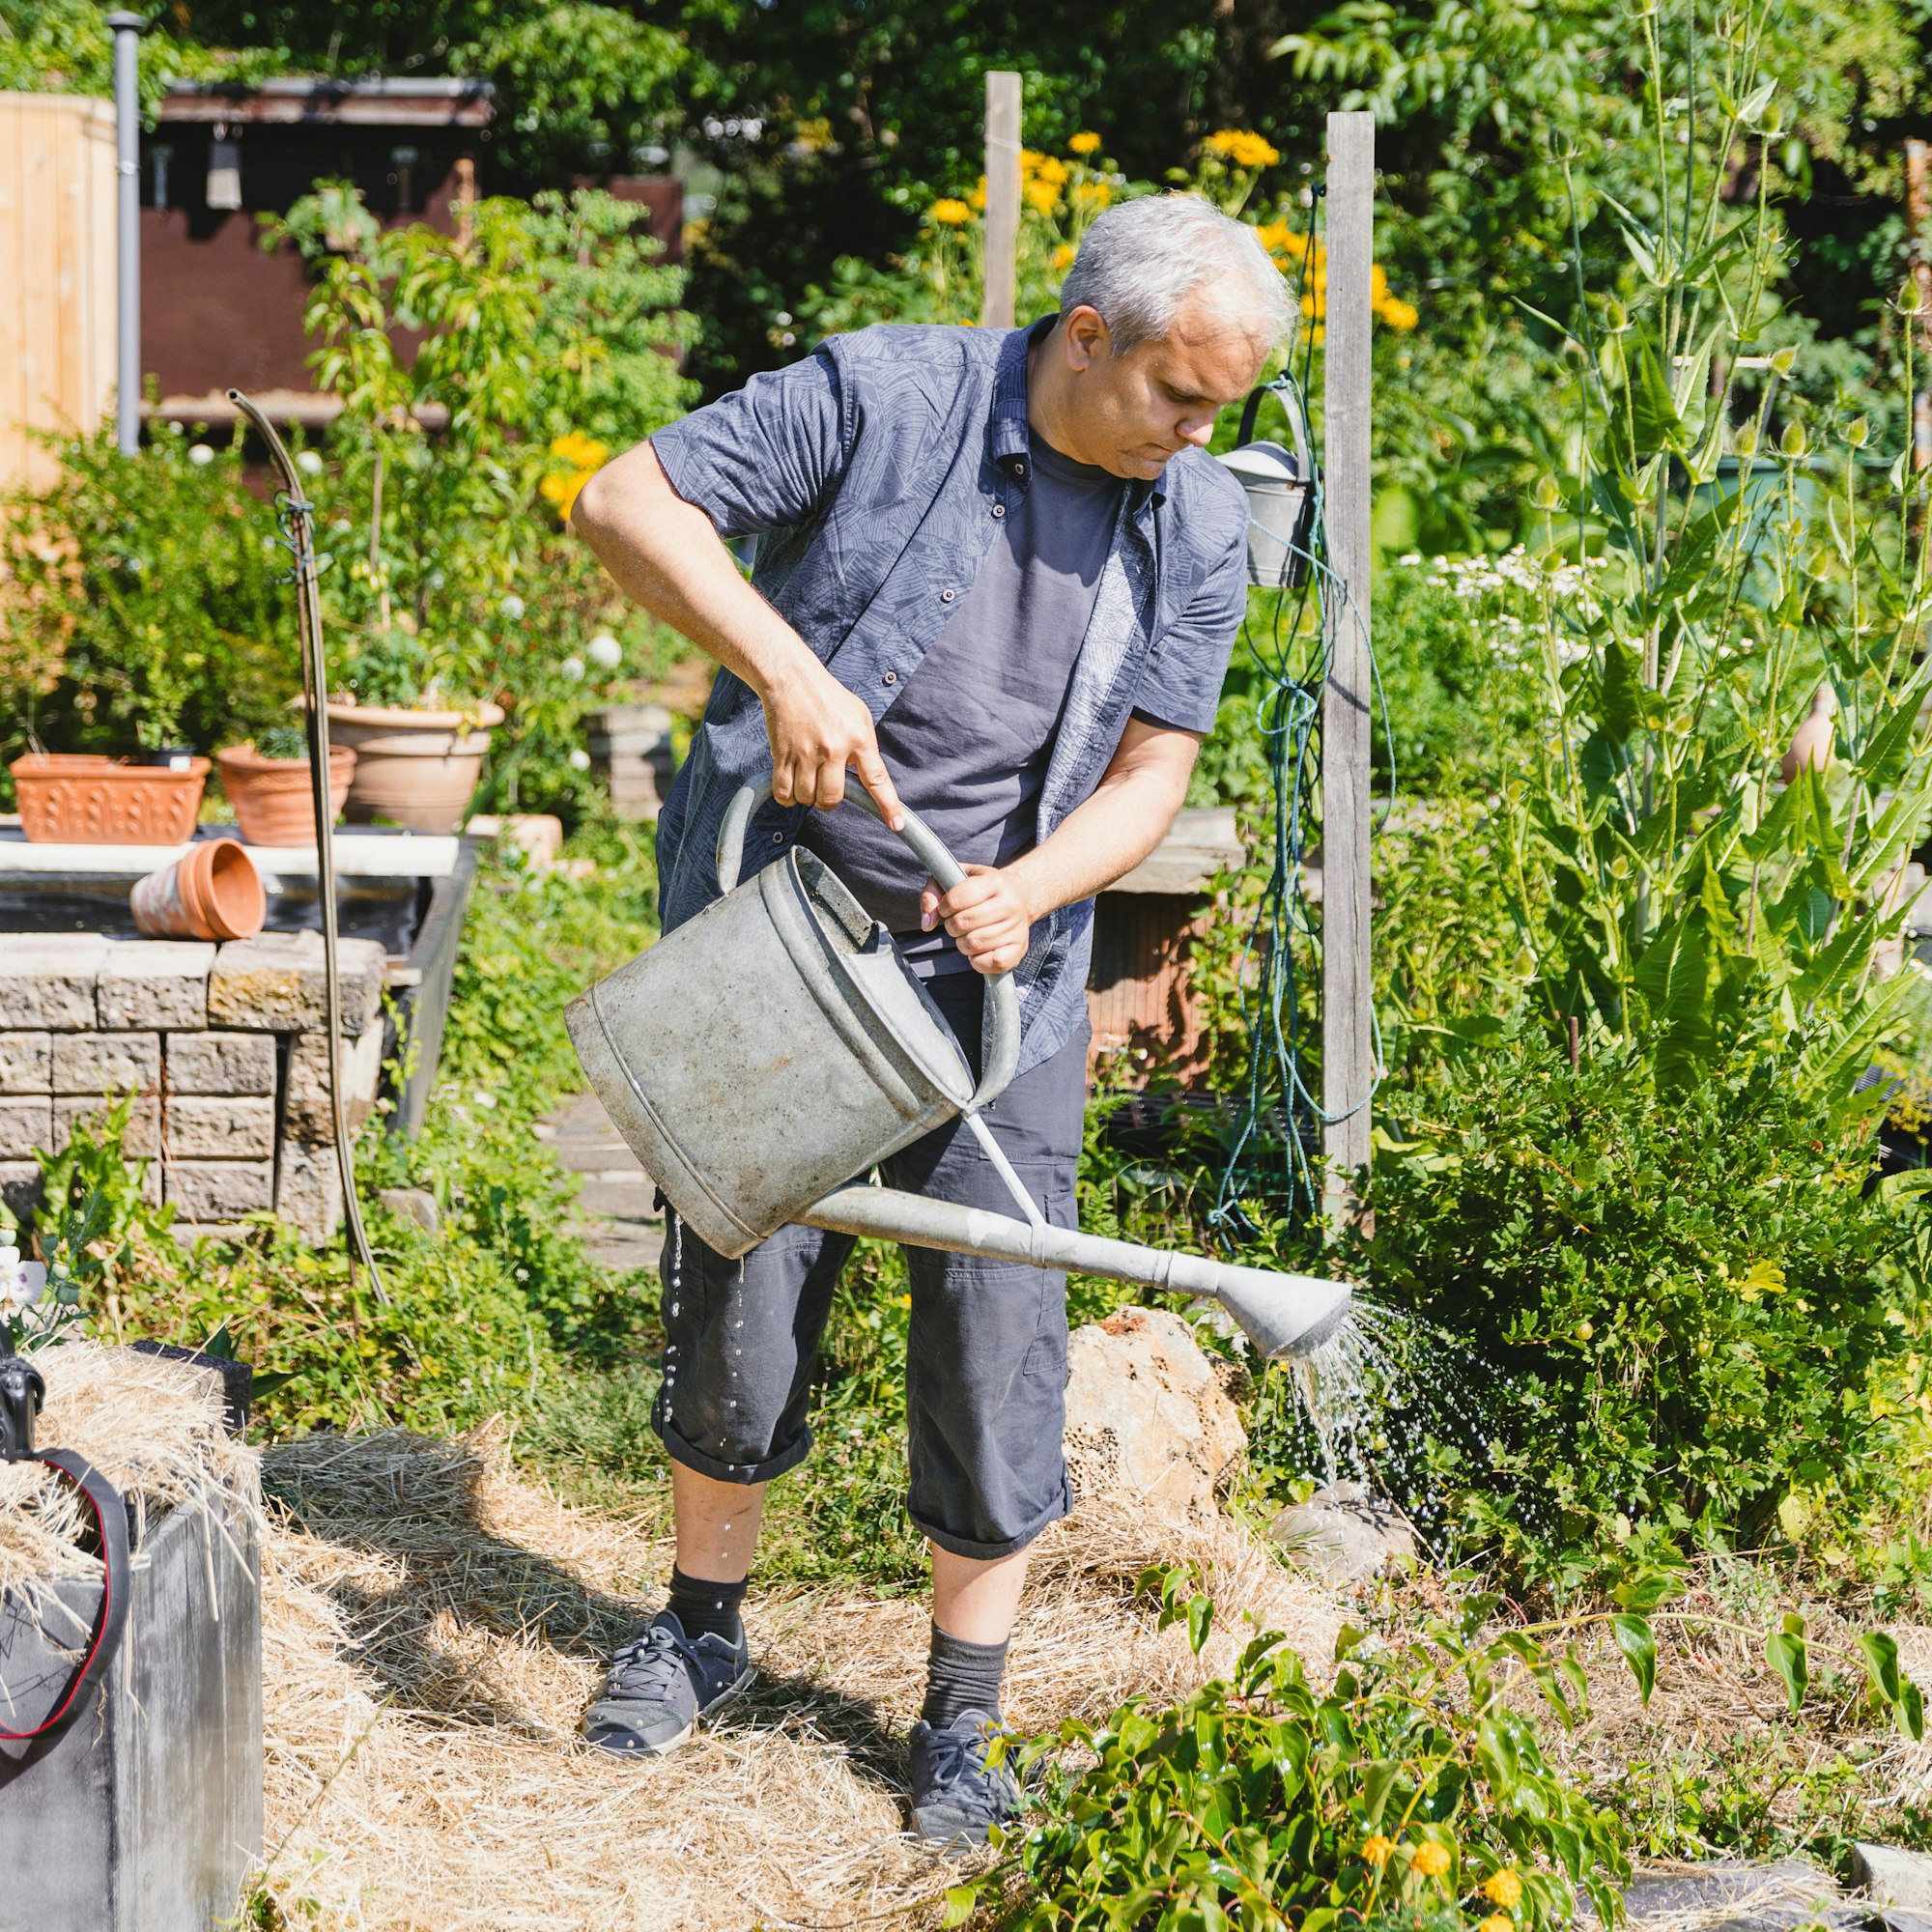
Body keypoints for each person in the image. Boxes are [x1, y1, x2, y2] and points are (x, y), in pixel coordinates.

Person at [568, 189, 1292, 1847]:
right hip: (786, 939)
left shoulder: (1195, 519)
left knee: (996, 1327)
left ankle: (962, 1721)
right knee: (744, 1284)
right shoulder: (889, 395)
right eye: (1180, 394)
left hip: (1001, 988)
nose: (1200, 434)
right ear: (1088, 335)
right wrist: (786, 670)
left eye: (1223, 406)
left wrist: (1032, 889)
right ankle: (700, 1631)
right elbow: (625, 501)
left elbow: (1153, 773)